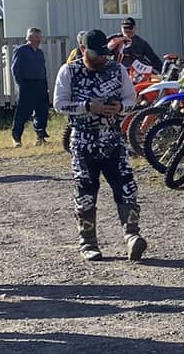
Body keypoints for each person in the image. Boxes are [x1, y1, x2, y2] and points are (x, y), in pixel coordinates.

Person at [54, 28, 147, 262]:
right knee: (85, 191)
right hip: (83, 140)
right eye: (95, 55)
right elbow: (59, 104)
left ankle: (132, 235)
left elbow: (131, 98)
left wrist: (121, 108)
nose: (101, 59)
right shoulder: (69, 71)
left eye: (104, 54)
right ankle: (88, 242)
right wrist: (87, 106)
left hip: (113, 138)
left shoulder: (118, 70)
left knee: (126, 186)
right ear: (83, 50)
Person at [10, 27, 50, 147]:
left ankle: (40, 136)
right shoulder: (21, 50)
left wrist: (45, 85)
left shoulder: (40, 52)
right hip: (27, 84)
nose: (38, 40)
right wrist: (21, 84)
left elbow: (43, 70)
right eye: (35, 37)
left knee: (41, 111)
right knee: (22, 112)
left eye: (39, 37)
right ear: (29, 38)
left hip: (40, 84)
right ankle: (16, 138)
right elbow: (15, 69)